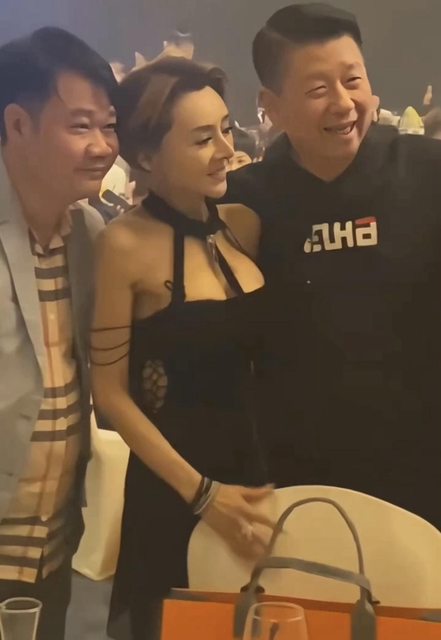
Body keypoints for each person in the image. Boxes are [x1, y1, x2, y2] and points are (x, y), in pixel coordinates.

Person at [224, 2, 441, 530]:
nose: (343, 103)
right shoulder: (245, 201)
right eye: (318, 89)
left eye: (353, 80)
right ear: (271, 107)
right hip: (303, 484)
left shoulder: (427, 173)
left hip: (424, 471)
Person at [90, 57, 274, 640]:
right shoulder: (123, 244)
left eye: (226, 128)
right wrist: (202, 494)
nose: (226, 149)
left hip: (256, 472)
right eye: (202, 139)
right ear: (146, 157)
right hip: (175, 487)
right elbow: (110, 393)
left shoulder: (242, 226)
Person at [0, 26, 118, 639]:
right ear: (18, 125)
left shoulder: (89, 235)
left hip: (50, 544)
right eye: (80, 126)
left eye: (109, 126)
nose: (103, 147)